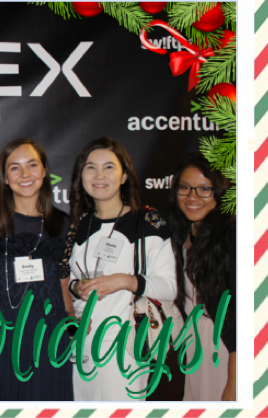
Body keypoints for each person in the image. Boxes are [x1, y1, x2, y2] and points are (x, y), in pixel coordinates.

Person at [67, 137, 176, 401]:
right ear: (81, 176)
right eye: (91, 167)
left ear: (124, 176)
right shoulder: (80, 225)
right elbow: (71, 281)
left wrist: (124, 281)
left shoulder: (147, 222)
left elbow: (170, 288)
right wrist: (76, 288)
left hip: (125, 348)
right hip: (83, 346)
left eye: (109, 167)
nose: (99, 175)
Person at [0, 139, 74, 401]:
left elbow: (63, 283)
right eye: (15, 168)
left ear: (44, 171)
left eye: (32, 165)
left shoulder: (63, 224)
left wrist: (72, 325)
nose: (25, 174)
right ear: (4, 178)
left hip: (48, 333)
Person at [169, 152, 236, 401]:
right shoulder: (183, 235)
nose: (192, 197)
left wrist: (234, 385)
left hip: (225, 352)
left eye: (204, 189)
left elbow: (241, 317)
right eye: (185, 187)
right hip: (197, 350)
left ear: (219, 193)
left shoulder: (231, 235)